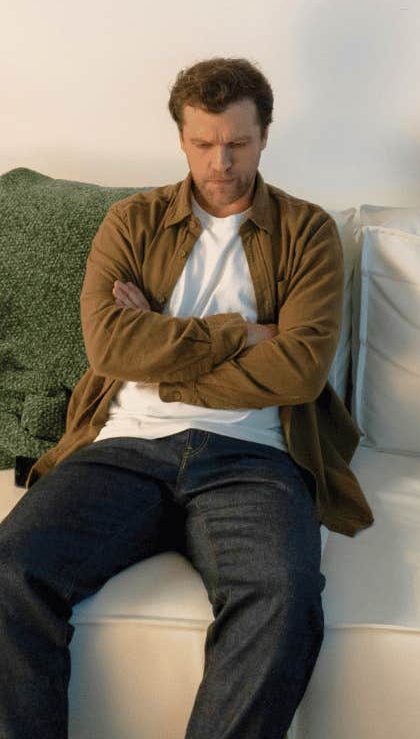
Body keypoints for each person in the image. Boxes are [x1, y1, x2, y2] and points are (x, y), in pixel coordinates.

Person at [0, 56, 373, 739]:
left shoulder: (308, 231)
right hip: (124, 449)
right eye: (204, 143)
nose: (221, 161)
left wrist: (164, 348)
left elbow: (297, 371)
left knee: (284, 597)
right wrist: (241, 333)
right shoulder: (131, 222)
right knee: (10, 568)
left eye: (238, 143)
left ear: (264, 136)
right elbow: (112, 348)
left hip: (254, 456)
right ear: (180, 138)